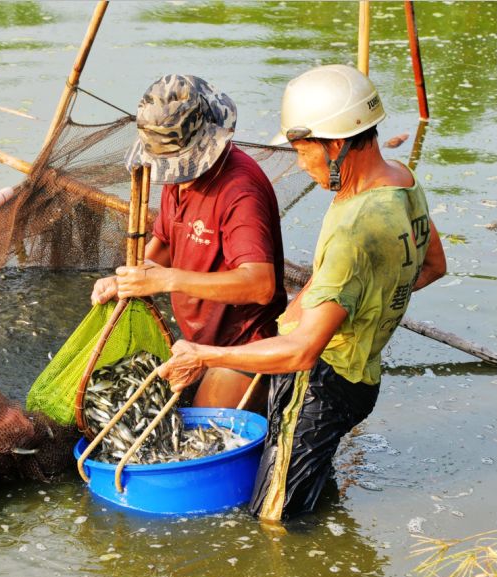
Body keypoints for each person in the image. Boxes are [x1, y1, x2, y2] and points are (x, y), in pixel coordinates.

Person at [158, 64, 447, 521]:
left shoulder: (352, 228)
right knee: (311, 486)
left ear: (335, 144)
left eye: (301, 149)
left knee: (274, 520)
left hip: (319, 388)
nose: (299, 163)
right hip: (362, 377)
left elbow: (302, 352)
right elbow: (432, 265)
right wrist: (357, 306)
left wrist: (204, 355)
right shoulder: (402, 181)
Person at [91, 74, 286, 410]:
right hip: (195, 341)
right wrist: (126, 279)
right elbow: (166, 245)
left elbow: (261, 285)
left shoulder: (240, 191)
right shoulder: (179, 178)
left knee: (198, 432)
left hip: (242, 347)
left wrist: (167, 280)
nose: (176, 176)